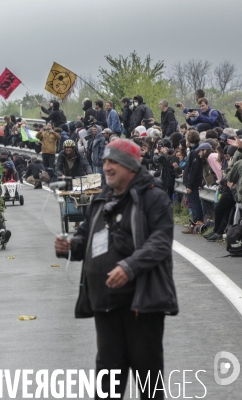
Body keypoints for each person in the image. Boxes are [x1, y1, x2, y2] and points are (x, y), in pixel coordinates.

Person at [54, 138, 178, 400]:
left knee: (149, 384)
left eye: (113, 162)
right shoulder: (101, 199)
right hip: (106, 305)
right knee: (107, 385)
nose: (107, 167)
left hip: (141, 305)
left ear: (129, 166)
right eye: (105, 162)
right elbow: (86, 238)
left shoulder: (153, 197)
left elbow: (160, 242)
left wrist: (130, 266)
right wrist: (70, 246)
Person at [182, 131, 204, 231]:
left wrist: (189, 185)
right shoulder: (194, 150)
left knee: (194, 204)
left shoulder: (194, 152)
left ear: (189, 139)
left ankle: (196, 224)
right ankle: (198, 223)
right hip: (192, 182)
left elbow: (194, 170)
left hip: (192, 183)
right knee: (196, 203)